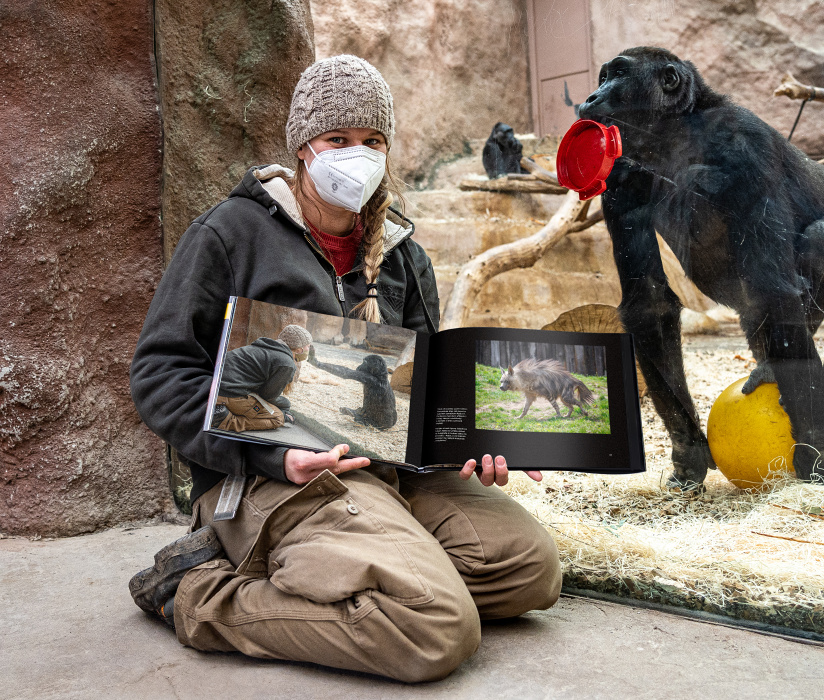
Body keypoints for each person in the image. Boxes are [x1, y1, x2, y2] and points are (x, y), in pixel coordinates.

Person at [128, 55, 561, 683]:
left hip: (391, 470)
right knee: (434, 627)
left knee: (528, 569)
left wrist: (473, 442)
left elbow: (425, 383)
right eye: (338, 140)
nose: (356, 155)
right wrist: (273, 455)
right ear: (305, 147)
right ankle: (199, 595)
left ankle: (360, 565)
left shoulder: (402, 253)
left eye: (372, 141)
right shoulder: (230, 234)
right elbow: (161, 372)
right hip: (277, 476)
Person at [212, 324, 312, 432]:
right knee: (278, 418)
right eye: (308, 346)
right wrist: (284, 411)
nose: (309, 348)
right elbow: (267, 396)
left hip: (212, 387)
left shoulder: (264, 347)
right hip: (228, 394)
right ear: (298, 349)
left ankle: (225, 410)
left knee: (283, 404)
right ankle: (225, 421)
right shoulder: (286, 363)